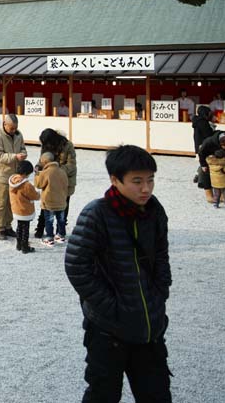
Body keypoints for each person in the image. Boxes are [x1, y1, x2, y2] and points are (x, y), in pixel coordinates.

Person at [65, 145, 172, 402]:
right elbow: (76, 266)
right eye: (137, 181)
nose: (145, 188)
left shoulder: (154, 211)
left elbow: (161, 257)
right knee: (103, 394)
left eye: (150, 180)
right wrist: (110, 307)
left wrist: (160, 293)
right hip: (107, 331)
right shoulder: (97, 214)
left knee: (156, 394)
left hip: (149, 327)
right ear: (115, 179)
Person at [34, 129, 77, 239]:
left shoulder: (67, 145)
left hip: (64, 180)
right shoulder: (45, 146)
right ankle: (40, 229)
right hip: (49, 180)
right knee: (46, 204)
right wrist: (38, 167)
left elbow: (71, 165)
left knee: (63, 206)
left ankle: (60, 232)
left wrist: (57, 170)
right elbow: (42, 160)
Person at [0, 114, 26, 240]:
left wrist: (23, 154)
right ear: (5, 124)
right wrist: (15, 157)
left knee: (11, 203)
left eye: (15, 128)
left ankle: (7, 226)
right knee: (0, 203)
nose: (14, 130)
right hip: (1, 175)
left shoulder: (18, 134)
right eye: (11, 128)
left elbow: (23, 148)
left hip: (14, 175)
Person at [34, 151, 69, 247]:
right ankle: (61, 235)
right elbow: (66, 184)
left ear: (45, 162)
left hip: (49, 201)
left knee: (49, 220)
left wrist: (37, 174)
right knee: (61, 219)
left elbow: (39, 185)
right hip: (61, 200)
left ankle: (49, 237)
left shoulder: (46, 173)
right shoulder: (62, 171)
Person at [197, 129, 225, 205]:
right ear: (220, 144)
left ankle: (222, 195)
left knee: (222, 174)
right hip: (208, 157)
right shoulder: (209, 141)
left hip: (224, 157)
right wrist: (203, 165)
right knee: (205, 172)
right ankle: (209, 193)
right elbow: (201, 153)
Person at [9, 160, 38, 254]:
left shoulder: (12, 181)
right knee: (25, 228)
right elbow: (35, 196)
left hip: (17, 209)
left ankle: (18, 244)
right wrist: (38, 194)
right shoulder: (26, 185)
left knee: (19, 226)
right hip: (25, 210)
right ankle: (25, 246)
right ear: (26, 173)